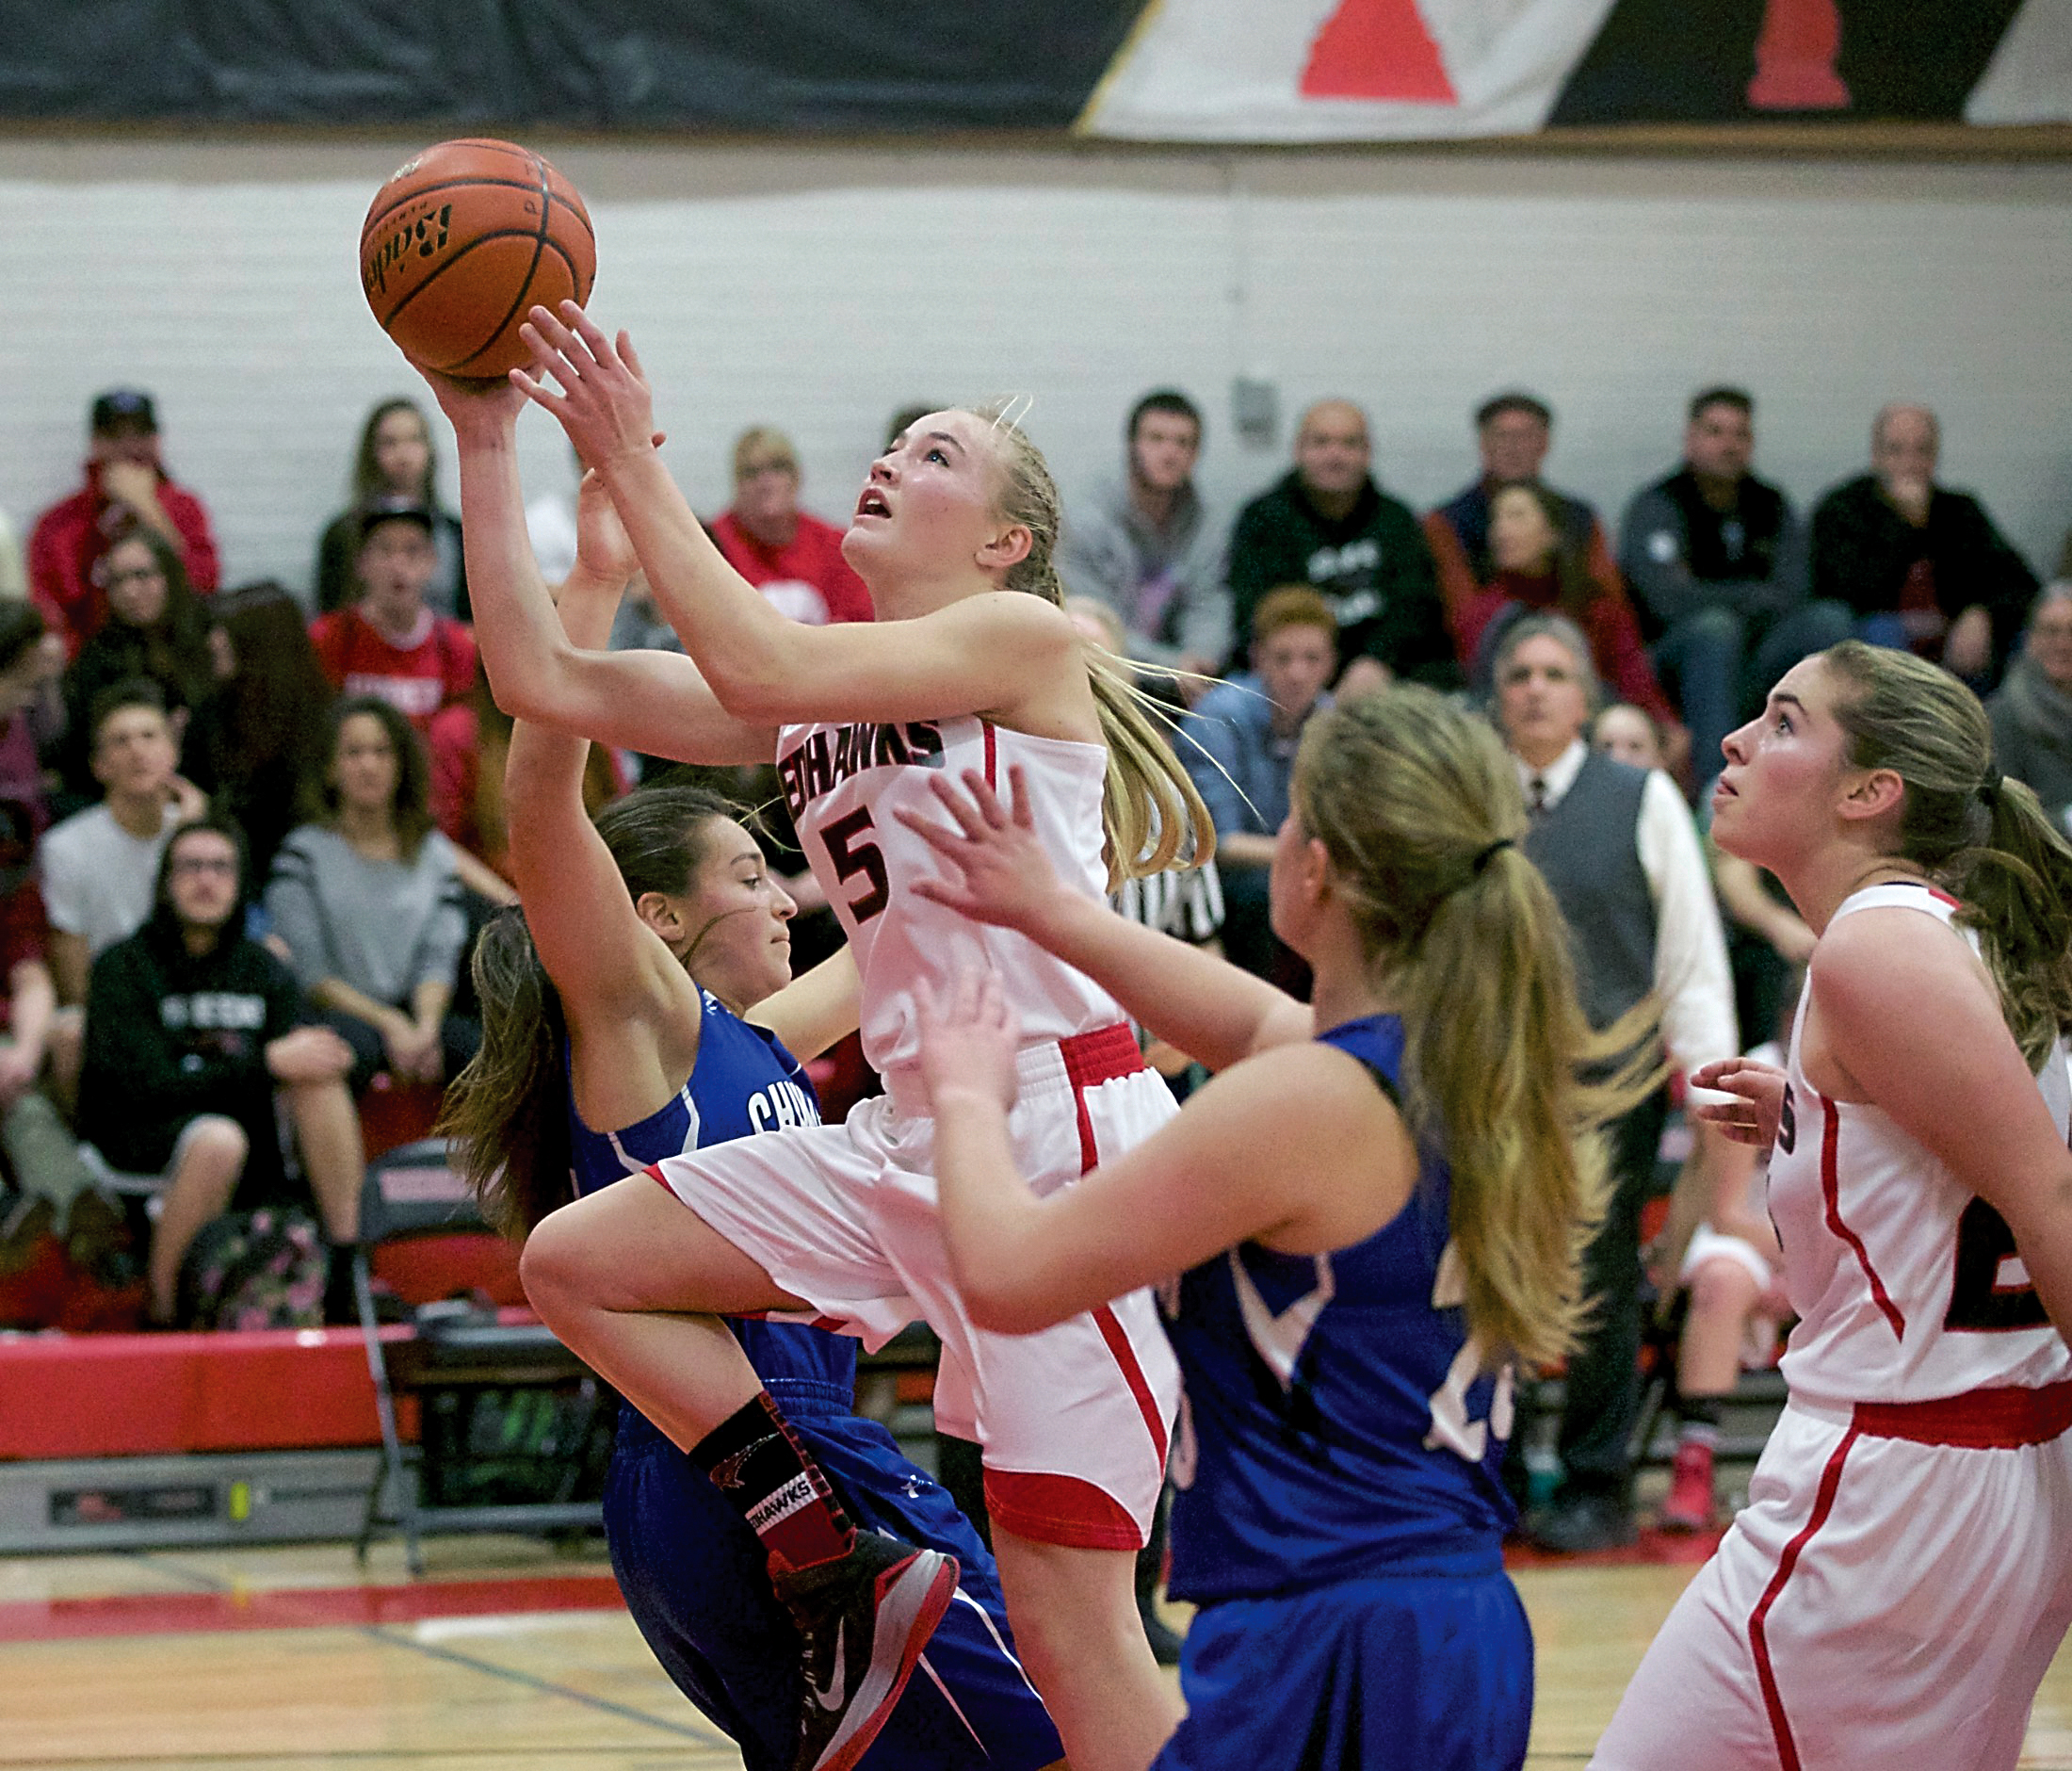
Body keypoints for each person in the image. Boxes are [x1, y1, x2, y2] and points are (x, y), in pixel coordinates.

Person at [426, 306, 1208, 1771]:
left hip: (1063, 1146)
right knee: (577, 1260)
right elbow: (543, 683)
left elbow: (767, 666)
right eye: (895, 443)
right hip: (914, 1139)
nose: (887, 461)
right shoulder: (818, 707)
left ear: (1005, 544)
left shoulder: (1017, 641)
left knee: (1078, 1628)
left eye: (936, 453)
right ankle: (828, 1547)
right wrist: (484, 436)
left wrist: (627, 467)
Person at [898, 684, 1652, 1771]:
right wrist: (1055, 913)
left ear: (1317, 868)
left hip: (1331, 1630)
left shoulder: (1306, 1106)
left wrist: (967, 1093)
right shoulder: (1447, 1067)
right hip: (1438, 1617)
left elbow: (1010, 1274)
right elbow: (1254, 1018)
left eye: (1293, 816)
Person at [1592, 641, 2072, 1768]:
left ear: (1869, 793)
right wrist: (1821, 1112)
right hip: (1986, 1475)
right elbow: (1990, 1157)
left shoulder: (1872, 948)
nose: (1735, 740)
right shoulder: (1958, 934)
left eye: (1783, 720)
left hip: (1893, 1492)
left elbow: (2047, 1190)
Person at [1490, 613, 1739, 1552]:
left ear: (1585, 695)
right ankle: (1496, 1480)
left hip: (1611, 1084)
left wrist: (1711, 1087)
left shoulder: (1641, 797)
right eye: (1519, 672)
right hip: (1492, 1085)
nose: (1536, 687)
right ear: (1496, 694)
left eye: (1555, 672)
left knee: (1598, 1286)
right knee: (1489, 1286)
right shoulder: (1471, 797)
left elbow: (1689, 953)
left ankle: (1596, 1482)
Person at [75, 816, 364, 1325]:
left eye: (220, 868)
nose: (206, 880)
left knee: (318, 1077)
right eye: (190, 867)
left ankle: (347, 1270)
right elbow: (143, 1087)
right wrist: (265, 1064)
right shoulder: (122, 967)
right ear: (165, 882)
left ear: (240, 884)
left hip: (251, 1131)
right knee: (218, 1139)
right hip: (148, 1132)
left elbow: (299, 1054)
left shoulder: (264, 968)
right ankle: (164, 1316)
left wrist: (325, 1055)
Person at [1620, 387, 1850, 778]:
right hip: (1681, 657)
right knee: (1714, 630)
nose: (1729, 444)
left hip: (1761, 656)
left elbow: (1796, 592)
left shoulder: (1771, 505)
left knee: (1829, 620)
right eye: (1716, 432)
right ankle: (1716, 789)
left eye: (1739, 434)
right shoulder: (1659, 504)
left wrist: (1711, 593)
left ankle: (1822, 777)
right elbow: (1666, 600)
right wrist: (1752, 594)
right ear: (1690, 438)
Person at [263, 696, 476, 1094]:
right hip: (337, 1011)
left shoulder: (432, 852)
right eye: (353, 752)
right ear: (330, 767)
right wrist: (389, 1022)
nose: (369, 765)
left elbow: (439, 955)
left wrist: (426, 1028)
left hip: (418, 1010)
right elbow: (311, 973)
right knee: (340, 1050)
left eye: (382, 751)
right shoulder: (304, 854)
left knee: (479, 1049)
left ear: (401, 765)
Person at [1224, 398, 1453, 694]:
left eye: (1349, 444)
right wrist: (1310, 672)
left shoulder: (1396, 520)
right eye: (1321, 443)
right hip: (1289, 675)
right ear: (1298, 450)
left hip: (1385, 674)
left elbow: (1417, 608)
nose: (1335, 455)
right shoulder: (1263, 520)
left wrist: (1376, 663)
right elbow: (1255, 613)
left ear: (1367, 453)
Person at [1809, 403, 2039, 686]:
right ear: (1876, 456)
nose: (1911, 463)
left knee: (2034, 634)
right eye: (1896, 450)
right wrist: (1906, 526)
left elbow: (2021, 583)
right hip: (1878, 638)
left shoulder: (1959, 510)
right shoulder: (1843, 509)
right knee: (1882, 633)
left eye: (1923, 451)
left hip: (1953, 637)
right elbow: (1842, 592)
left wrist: (1981, 614)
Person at [1183, 585, 1335, 987]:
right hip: (1230, 887)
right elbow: (1221, 843)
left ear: (1331, 665)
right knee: (1261, 895)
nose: (1297, 673)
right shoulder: (1216, 718)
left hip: (1301, 870)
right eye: (1283, 658)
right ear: (1257, 659)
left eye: (1311, 659)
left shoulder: (1335, 725)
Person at [1458, 480, 1679, 739]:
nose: (1501, 530)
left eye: (1516, 516)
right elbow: (1482, 689)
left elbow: (1634, 679)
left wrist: (1664, 725)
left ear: (1552, 533)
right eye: (1496, 520)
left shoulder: (1596, 607)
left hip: (1594, 732)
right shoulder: (1479, 614)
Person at [38, 678, 208, 1013]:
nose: (137, 750)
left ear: (173, 753)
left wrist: (189, 841)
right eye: (120, 741)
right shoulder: (66, 847)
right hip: (110, 1008)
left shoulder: (199, 831)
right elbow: (74, 981)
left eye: (149, 736)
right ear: (99, 766)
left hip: (192, 1001)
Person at [27, 388, 221, 659]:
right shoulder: (60, 522)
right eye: (115, 436)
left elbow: (203, 588)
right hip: (89, 669)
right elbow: (50, 611)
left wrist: (147, 508)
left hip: (175, 658)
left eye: (140, 434)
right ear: (95, 443)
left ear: (156, 440)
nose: (129, 447)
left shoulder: (184, 509)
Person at [1057, 389, 1229, 691]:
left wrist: (1200, 661)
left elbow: (1209, 601)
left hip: (1187, 678)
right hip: (1106, 675)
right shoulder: (1087, 521)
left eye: (1182, 442)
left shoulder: (1204, 520)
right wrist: (1172, 667)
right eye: (1156, 439)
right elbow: (1094, 623)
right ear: (1132, 445)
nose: (1170, 453)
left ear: (1196, 454)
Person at [1425, 391, 1619, 643]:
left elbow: (1611, 603)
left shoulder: (1579, 518)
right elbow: (1461, 616)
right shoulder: (1444, 523)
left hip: (1578, 647)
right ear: (1483, 443)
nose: (1513, 447)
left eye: (1525, 436)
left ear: (1545, 443)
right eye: (1501, 436)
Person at [57, 526, 228, 804]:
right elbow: (81, 748)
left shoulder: (207, 634)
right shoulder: (99, 654)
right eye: (117, 581)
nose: (130, 592)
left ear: (169, 576)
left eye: (141, 575)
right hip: (124, 794)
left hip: (208, 784)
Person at [307, 502, 478, 732]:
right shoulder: (327, 638)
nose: (398, 565)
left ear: (432, 562)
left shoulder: (458, 647)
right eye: (385, 550)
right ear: (361, 563)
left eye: (412, 551)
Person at [312, 398, 468, 618]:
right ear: (371, 452)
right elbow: (330, 617)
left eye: (414, 440)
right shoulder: (342, 534)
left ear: (429, 450)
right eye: (389, 443)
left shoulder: (455, 533)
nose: (403, 455)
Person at [710, 427, 875, 627]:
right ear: (737, 484)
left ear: (796, 478)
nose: (766, 483)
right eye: (752, 472)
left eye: (777, 468)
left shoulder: (835, 548)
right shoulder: (713, 547)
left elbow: (860, 627)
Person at [1986, 581, 2072, 834]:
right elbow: (1999, 812)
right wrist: (2066, 821)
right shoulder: (2003, 716)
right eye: (2050, 631)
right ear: (2030, 639)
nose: (2063, 644)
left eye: (2071, 632)